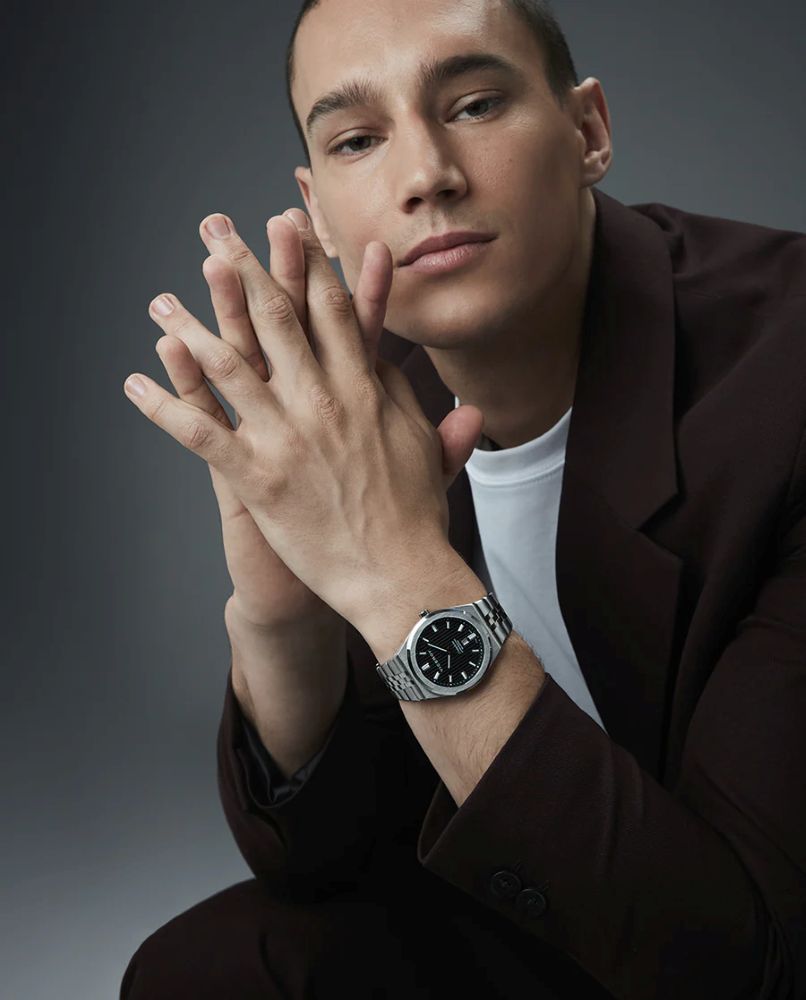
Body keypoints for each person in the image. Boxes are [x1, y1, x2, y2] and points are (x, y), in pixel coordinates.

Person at [119, 0, 806, 997]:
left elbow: (747, 967)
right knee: (208, 971)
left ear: (587, 131)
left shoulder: (784, 377)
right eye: (358, 140)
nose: (425, 174)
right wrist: (284, 615)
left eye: (475, 104)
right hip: (582, 906)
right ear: (317, 209)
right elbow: (318, 860)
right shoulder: (370, 397)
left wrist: (395, 575)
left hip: (737, 940)